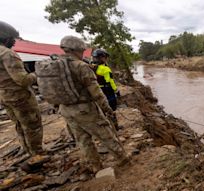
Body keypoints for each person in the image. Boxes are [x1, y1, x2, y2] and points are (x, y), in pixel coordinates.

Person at [56, 36, 130, 173]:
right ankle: (123, 160)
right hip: (85, 108)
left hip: (65, 109)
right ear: (77, 49)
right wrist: (107, 108)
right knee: (106, 134)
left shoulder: (54, 65)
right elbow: (96, 92)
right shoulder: (82, 66)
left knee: (82, 140)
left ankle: (96, 167)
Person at [0, 21, 43, 155]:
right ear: (4, 37)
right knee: (32, 125)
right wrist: (37, 74)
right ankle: (37, 155)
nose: (14, 42)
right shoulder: (7, 54)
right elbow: (23, 80)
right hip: (20, 97)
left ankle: (28, 151)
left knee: (19, 125)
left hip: (4, 96)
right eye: (12, 39)